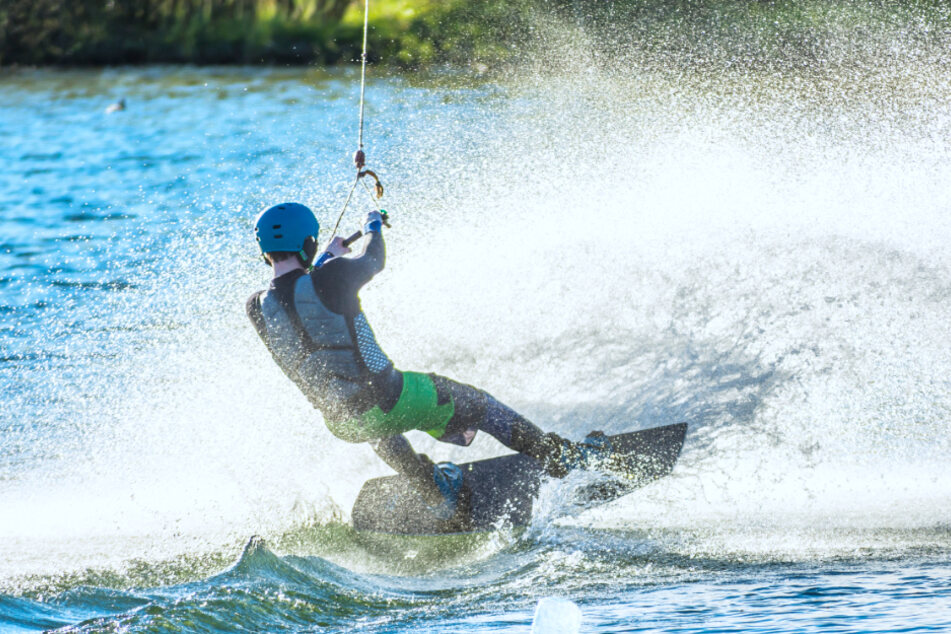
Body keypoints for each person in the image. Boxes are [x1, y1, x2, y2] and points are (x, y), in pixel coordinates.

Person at [246, 202, 602, 522]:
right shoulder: (334, 276)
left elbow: (298, 297)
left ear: (265, 252)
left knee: (368, 418)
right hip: (392, 399)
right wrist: (372, 226)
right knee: (476, 404)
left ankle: (434, 492)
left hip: (342, 424)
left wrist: (325, 259)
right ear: (308, 244)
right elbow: (373, 261)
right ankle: (561, 458)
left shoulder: (257, 307)